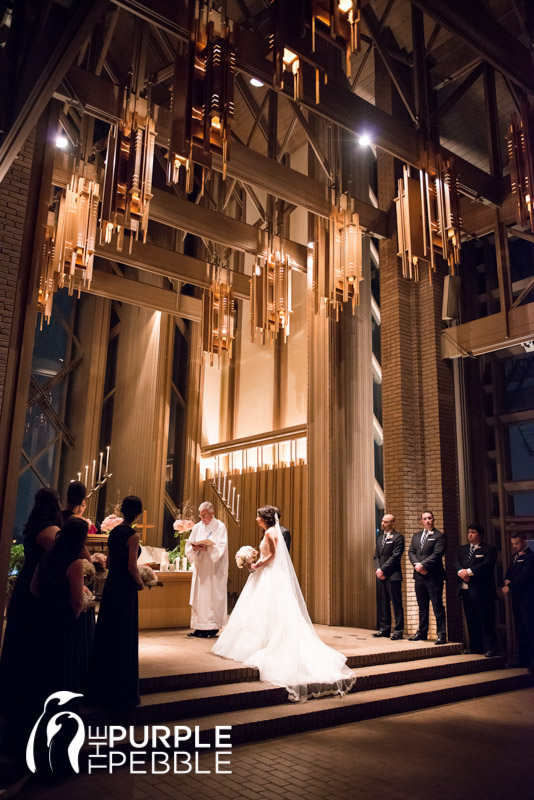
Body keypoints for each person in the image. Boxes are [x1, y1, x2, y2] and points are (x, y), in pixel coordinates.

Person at [212, 505, 355, 702]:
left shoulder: (270, 533)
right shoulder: (273, 531)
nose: (256, 519)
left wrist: (255, 564)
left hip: (267, 574)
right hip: (270, 575)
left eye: (258, 516)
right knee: (266, 610)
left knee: (262, 609)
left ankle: (261, 643)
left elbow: (272, 556)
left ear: (265, 518)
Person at [0, 488, 61, 720]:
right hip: (41, 584)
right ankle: (29, 692)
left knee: (21, 635)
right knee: (34, 636)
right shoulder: (50, 531)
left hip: (27, 579)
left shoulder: (33, 525)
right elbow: (61, 556)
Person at [87, 496, 145, 709]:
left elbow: (110, 562)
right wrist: (141, 583)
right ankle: (121, 690)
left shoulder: (114, 533)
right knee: (124, 633)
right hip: (126, 587)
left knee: (109, 630)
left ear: (122, 511)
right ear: (137, 513)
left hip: (112, 585)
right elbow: (132, 566)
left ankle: (102, 686)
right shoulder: (133, 535)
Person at [33, 517, 91, 699]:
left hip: (44, 614)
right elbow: (76, 600)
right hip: (63, 619)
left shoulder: (47, 556)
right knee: (62, 666)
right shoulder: (75, 562)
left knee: (43, 661)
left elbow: (33, 588)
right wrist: (73, 616)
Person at [185, 502, 228, 638]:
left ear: (212, 513)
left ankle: (212, 627)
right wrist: (194, 547)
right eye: (201, 515)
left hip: (213, 569)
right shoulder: (197, 527)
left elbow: (221, 546)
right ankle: (199, 626)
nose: (202, 518)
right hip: (201, 566)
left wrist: (207, 548)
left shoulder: (220, 526)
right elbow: (188, 544)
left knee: (211, 597)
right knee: (200, 597)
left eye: (205, 515)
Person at [454, 524, 497, 657]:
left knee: (486, 620)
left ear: (480, 535)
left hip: (482, 591)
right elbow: (455, 561)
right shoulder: (463, 549)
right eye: (469, 532)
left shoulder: (488, 549)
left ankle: (490, 648)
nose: (470, 535)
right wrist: (461, 571)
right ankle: (475, 646)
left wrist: (469, 572)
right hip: (466, 591)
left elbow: (486, 565)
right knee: (471, 619)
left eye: (473, 532)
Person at [408, 510, 447, 644]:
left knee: (437, 606)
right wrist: (416, 565)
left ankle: (441, 634)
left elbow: (438, 554)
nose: (428, 521)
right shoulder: (416, 536)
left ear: (433, 519)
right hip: (419, 576)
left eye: (430, 518)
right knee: (422, 606)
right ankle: (422, 632)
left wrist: (422, 565)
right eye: (425, 519)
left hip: (433, 577)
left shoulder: (439, 536)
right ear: (421, 521)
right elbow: (411, 552)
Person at [502, 532, 534, 671]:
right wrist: (507, 580)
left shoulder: (530, 557)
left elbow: (525, 576)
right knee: (520, 630)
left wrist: (509, 586)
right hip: (517, 599)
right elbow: (508, 572)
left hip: (527, 599)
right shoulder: (514, 557)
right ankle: (524, 659)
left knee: (530, 630)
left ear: (524, 541)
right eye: (513, 544)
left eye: (517, 543)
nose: (515, 546)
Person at [373, 513, 404, 640]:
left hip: (393, 576)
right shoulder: (380, 538)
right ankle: (384, 629)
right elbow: (376, 556)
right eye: (382, 521)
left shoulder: (398, 537)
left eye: (385, 522)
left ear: (392, 523)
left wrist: (383, 570)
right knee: (383, 603)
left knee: (396, 604)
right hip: (381, 575)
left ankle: (398, 630)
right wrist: (378, 569)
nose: (382, 524)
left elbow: (395, 556)